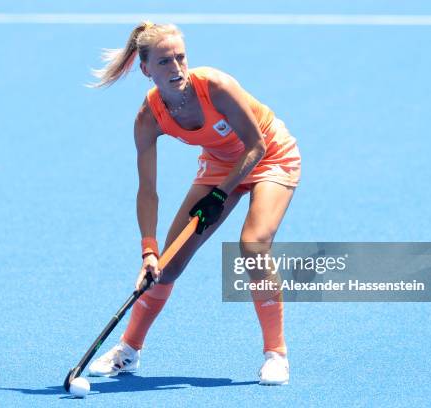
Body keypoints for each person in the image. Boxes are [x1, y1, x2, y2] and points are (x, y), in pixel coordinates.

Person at [87, 22, 301, 385]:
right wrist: (149, 251)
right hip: (220, 165)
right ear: (146, 70)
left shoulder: (215, 86)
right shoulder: (149, 117)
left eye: (180, 58)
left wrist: (219, 195)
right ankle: (129, 350)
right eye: (165, 62)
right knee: (167, 266)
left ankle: (276, 354)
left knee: (252, 245)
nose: (176, 68)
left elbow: (256, 147)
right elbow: (147, 191)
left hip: (270, 156)